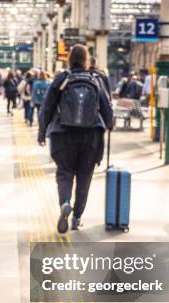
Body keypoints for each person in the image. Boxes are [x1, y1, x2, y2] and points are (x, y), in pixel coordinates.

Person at [38, 45, 113, 233]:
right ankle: (77, 217)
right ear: (86, 60)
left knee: (64, 173)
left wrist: (42, 132)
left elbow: (46, 107)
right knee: (84, 177)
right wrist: (109, 125)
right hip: (91, 137)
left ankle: (64, 203)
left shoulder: (62, 79)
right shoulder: (95, 80)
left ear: (69, 60)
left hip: (63, 134)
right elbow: (107, 108)